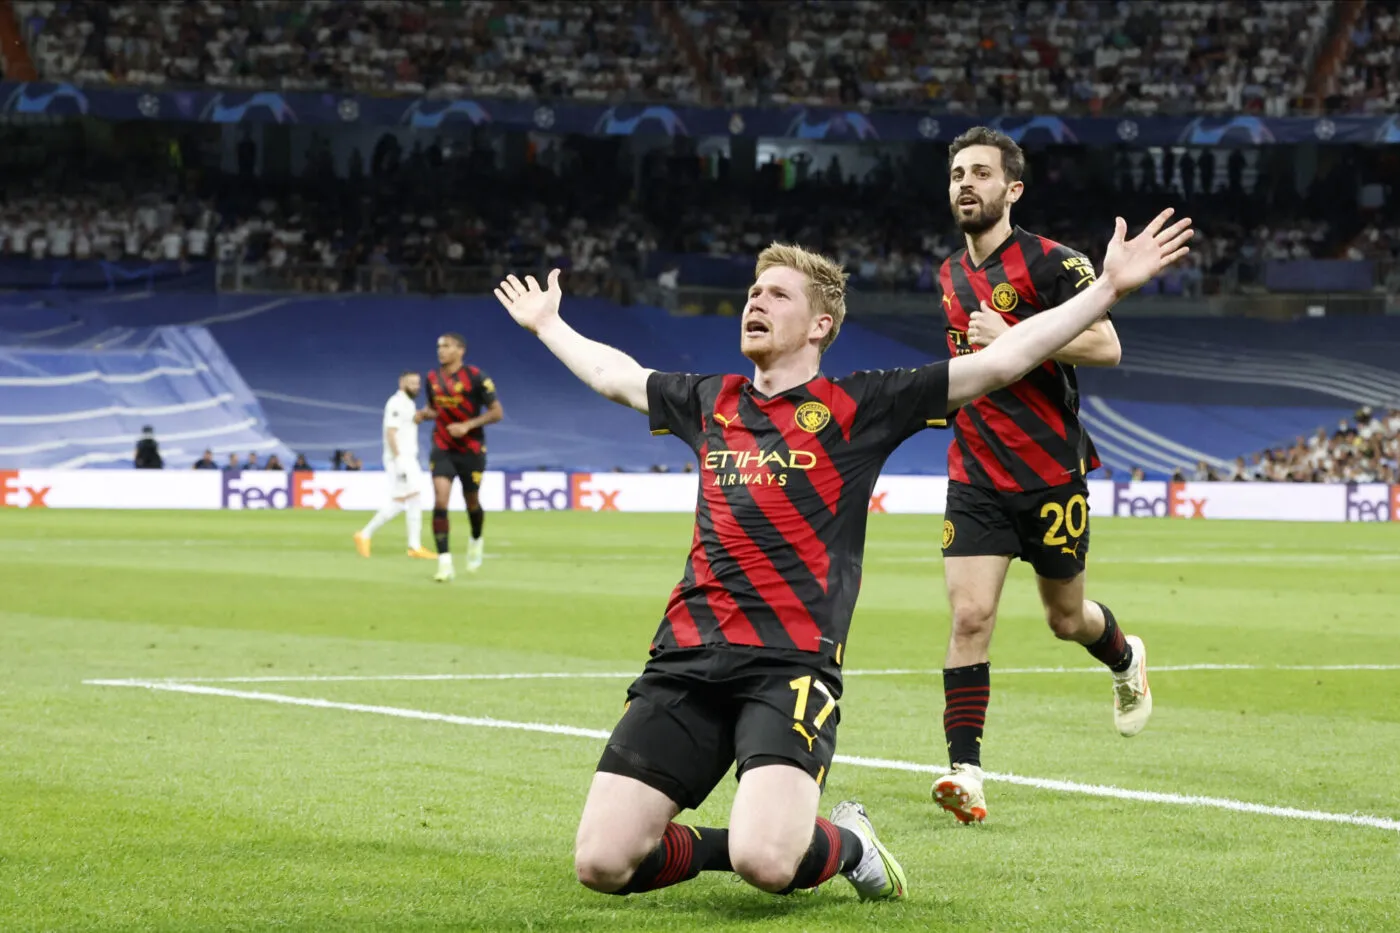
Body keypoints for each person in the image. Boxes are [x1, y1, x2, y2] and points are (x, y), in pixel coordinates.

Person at [490, 209, 1191, 904]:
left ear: (821, 324)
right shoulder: (713, 401)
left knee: (767, 862)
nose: (755, 302)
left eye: (777, 294)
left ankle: (850, 842)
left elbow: (1000, 361)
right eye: (752, 294)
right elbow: (618, 375)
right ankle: (753, 839)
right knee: (604, 862)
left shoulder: (860, 405)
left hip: (789, 667)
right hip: (686, 660)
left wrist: (1106, 290)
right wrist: (550, 324)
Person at [928, 127, 1157, 826]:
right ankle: (964, 771)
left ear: (1012, 189)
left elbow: (1108, 345)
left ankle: (1123, 655)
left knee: (1066, 619)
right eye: (957, 173)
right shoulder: (946, 275)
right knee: (970, 616)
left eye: (981, 174)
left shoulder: (1055, 264)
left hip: (1050, 471)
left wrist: (1014, 337)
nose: (966, 183)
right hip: (974, 472)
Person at [416, 333, 503, 581]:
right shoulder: (432, 378)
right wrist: (425, 414)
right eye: (438, 346)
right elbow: (436, 408)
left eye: (446, 346)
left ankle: (476, 539)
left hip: (471, 449)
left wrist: (468, 425)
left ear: (460, 350)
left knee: (471, 502)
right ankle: (444, 563)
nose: (440, 350)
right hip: (442, 446)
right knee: (440, 501)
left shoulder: (476, 377)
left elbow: (497, 412)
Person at [355, 371, 435, 561]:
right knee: (400, 502)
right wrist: (398, 461)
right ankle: (365, 534)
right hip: (399, 459)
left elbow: (408, 424)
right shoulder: (396, 403)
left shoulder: (408, 403)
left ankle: (414, 546)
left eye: (417, 383)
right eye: (411, 383)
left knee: (413, 498)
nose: (416, 386)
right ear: (401, 383)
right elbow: (391, 433)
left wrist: (420, 417)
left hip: (409, 458)